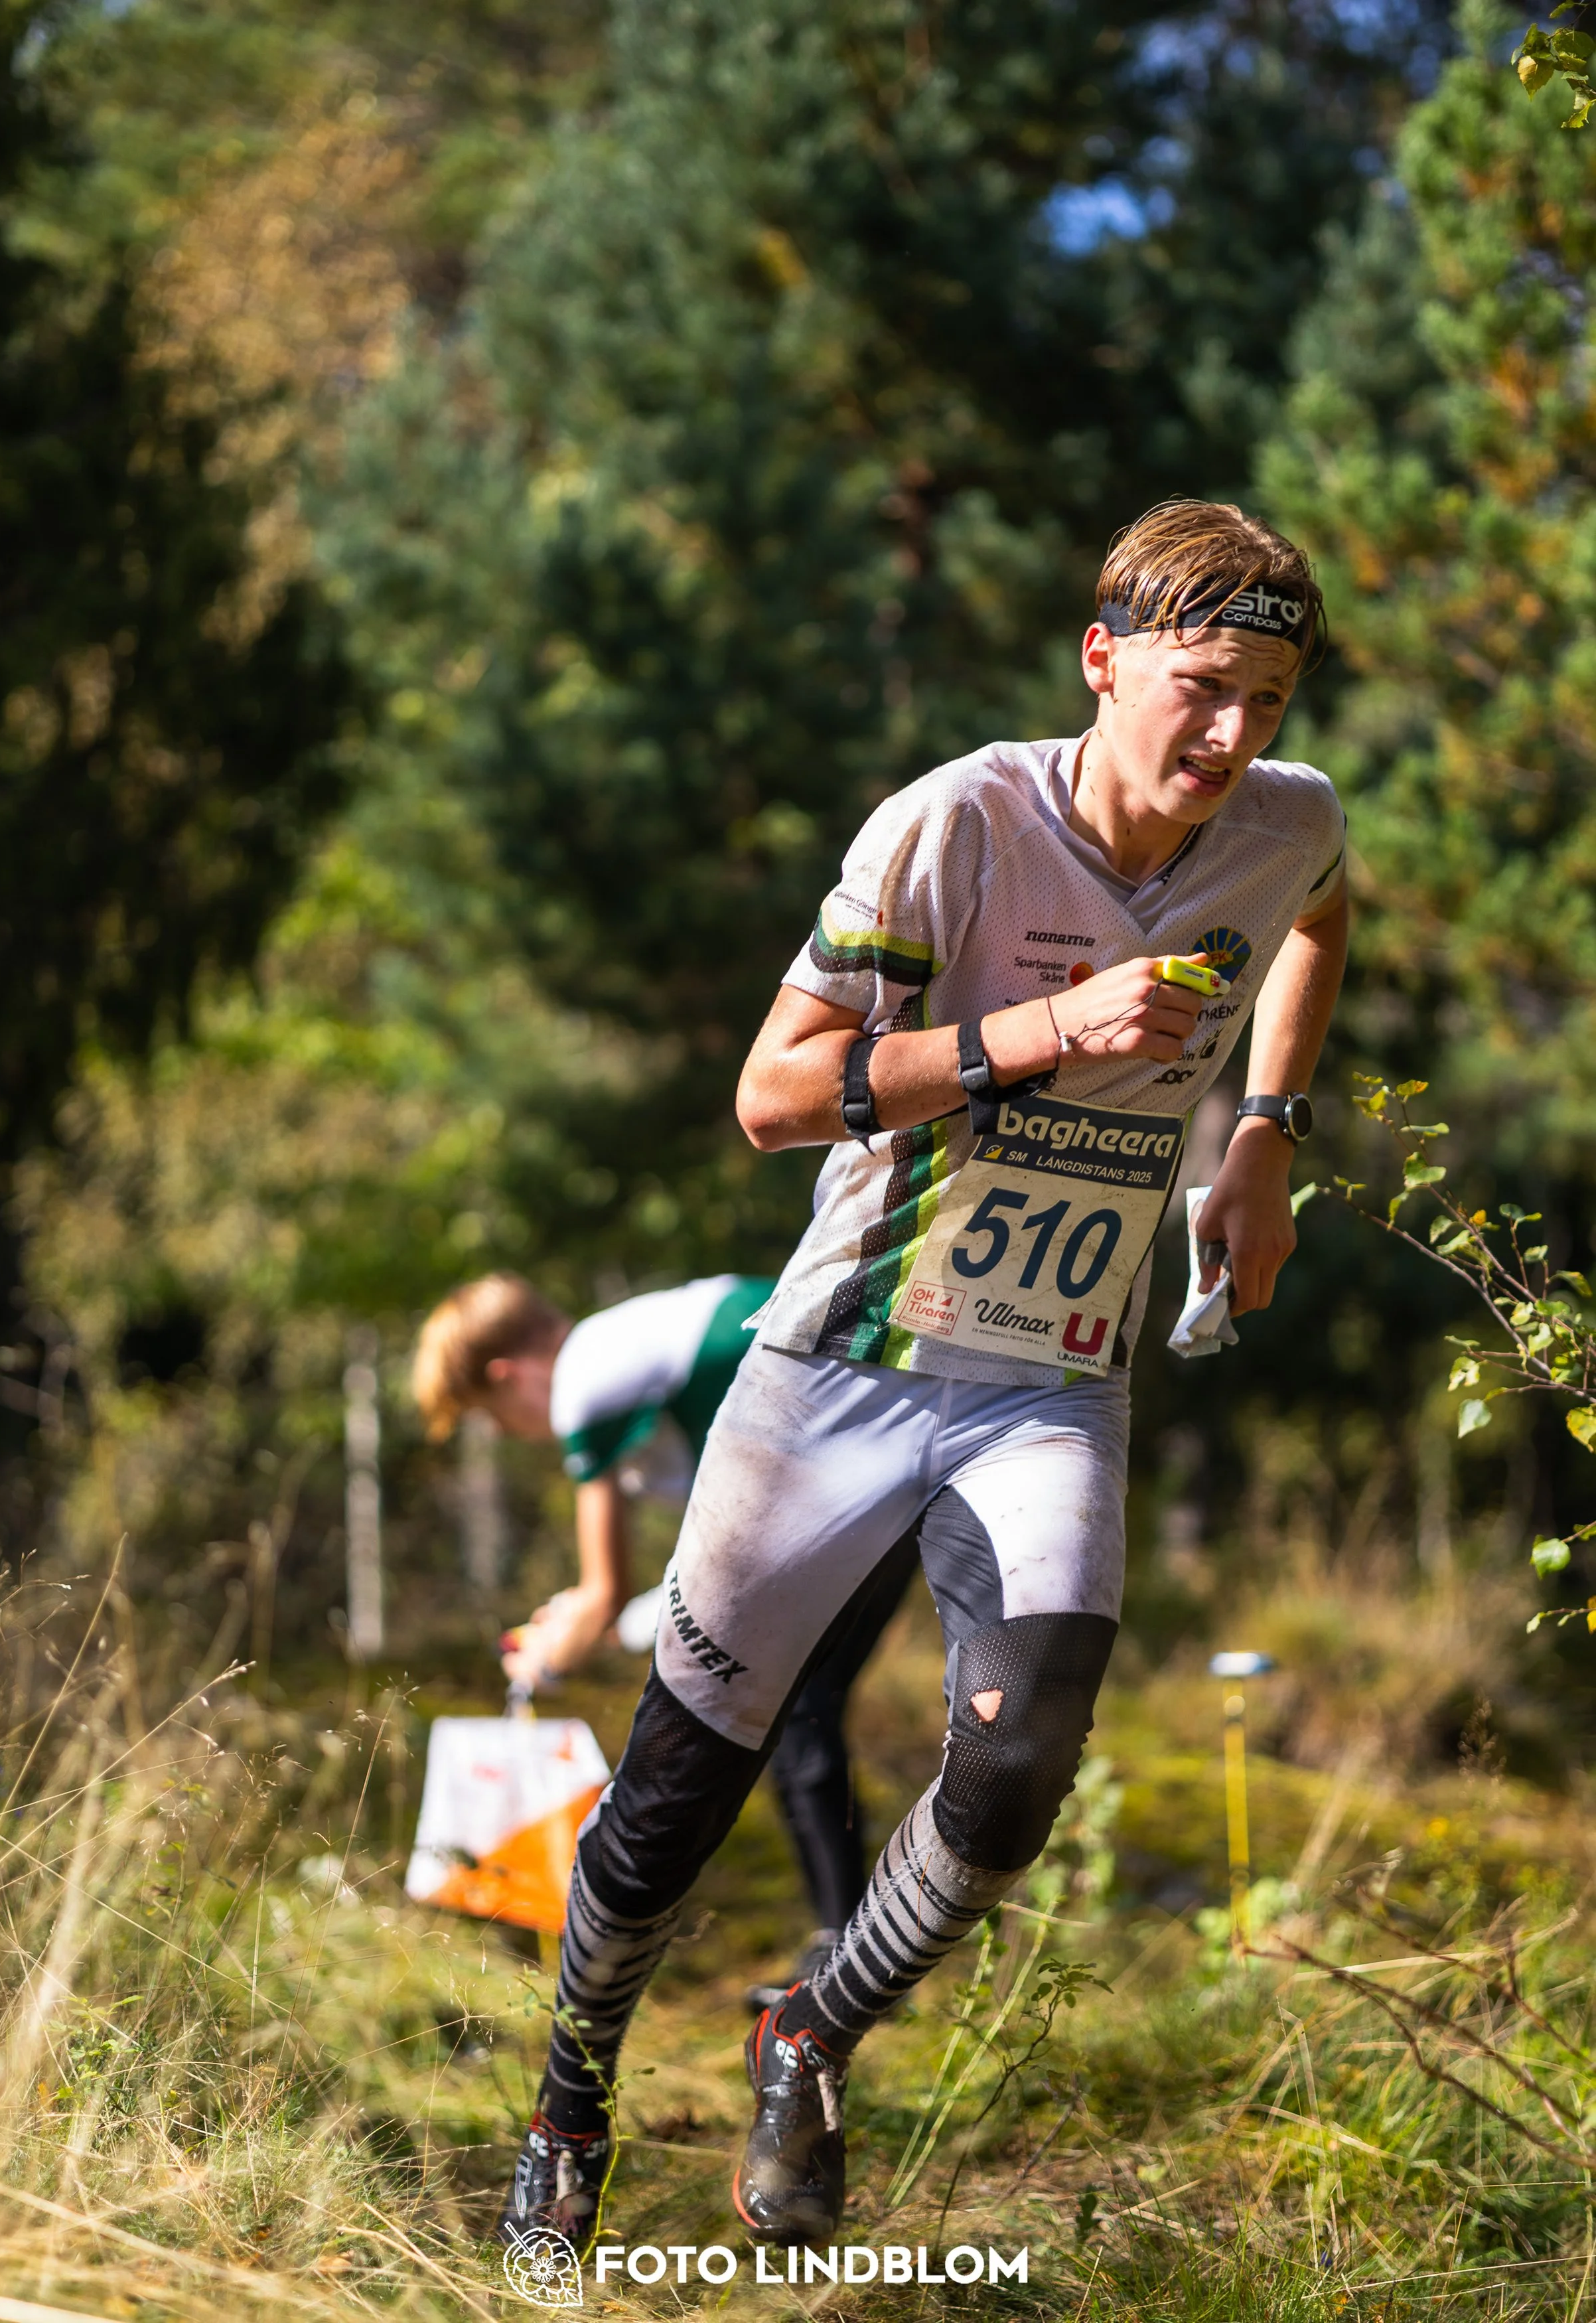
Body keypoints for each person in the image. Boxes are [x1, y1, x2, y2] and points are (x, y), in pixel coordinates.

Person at [500, 497, 1351, 2247]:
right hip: (839, 1367)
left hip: (1054, 1380)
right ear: (1098, 661)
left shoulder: (1286, 825)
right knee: (673, 1799)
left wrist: (1260, 1134)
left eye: (1266, 700)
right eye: (1198, 689)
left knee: (1022, 1755)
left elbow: (1322, 916)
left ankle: (808, 2029)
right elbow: (769, 1096)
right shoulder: (953, 822)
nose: (1231, 738)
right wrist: (1054, 1027)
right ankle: (568, 2105)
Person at [411, 1271, 916, 2001]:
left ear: (507, 1373)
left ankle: (849, 1963)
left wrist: (554, 1647)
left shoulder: (586, 1378)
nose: (502, 1430)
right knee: (808, 1708)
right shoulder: (638, 1345)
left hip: (852, 1477)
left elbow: (603, 1589)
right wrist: (599, 1621)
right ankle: (846, 1955)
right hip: (879, 1459)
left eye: (489, 1412)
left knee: (799, 1713)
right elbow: (700, 1568)